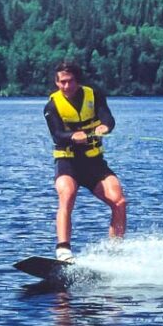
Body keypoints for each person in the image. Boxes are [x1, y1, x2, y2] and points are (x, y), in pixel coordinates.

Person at [43, 61, 127, 261]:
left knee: (119, 201)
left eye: (70, 81)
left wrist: (105, 127)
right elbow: (57, 134)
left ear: (77, 81)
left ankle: (115, 252)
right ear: (56, 83)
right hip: (68, 162)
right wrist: (73, 136)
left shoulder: (94, 95)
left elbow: (108, 119)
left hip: (93, 163)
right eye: (61, 82)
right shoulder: (51, 106)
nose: (66, 86)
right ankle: (63, 251)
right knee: (67, 194)